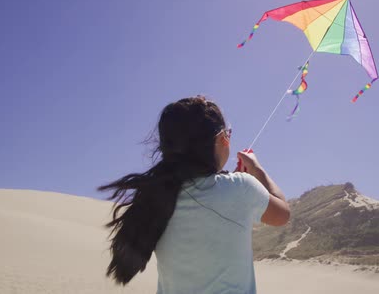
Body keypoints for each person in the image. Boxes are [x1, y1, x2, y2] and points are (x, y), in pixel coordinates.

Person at [98, 95, 290, 293]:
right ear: (222, 138)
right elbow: (283, 214)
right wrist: (257, 169)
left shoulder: (156, 198)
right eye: (228, 134)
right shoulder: (242, 188)